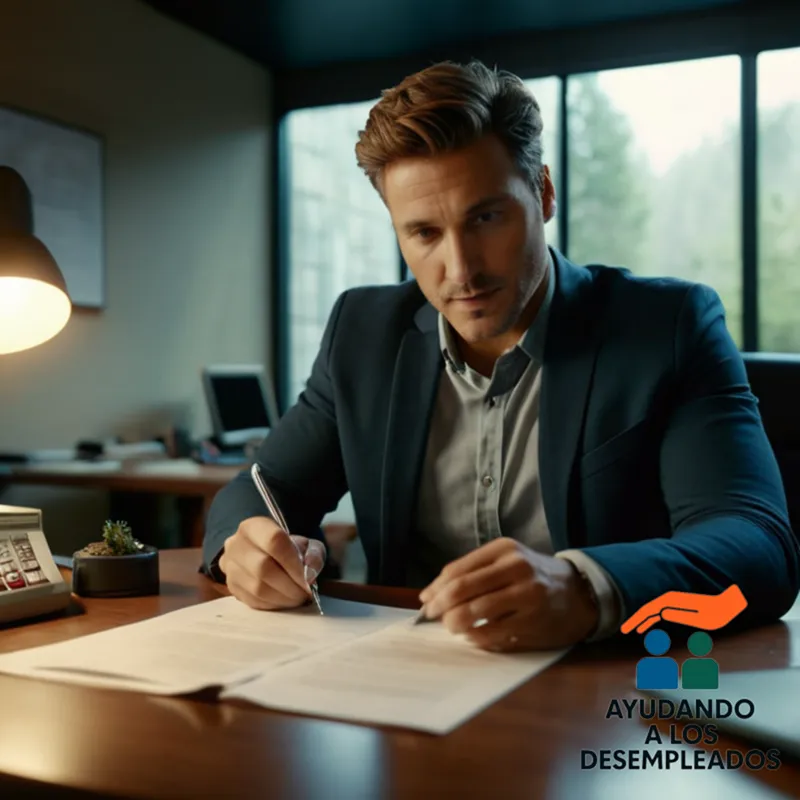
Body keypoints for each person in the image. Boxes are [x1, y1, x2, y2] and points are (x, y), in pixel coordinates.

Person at [202, 60, 799, 652]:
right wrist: (246, 545)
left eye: (485, 217)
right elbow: (262, 489)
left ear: (542, 193)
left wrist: (586, 589)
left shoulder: (668, 327)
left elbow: (757, 545)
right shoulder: (362, 332)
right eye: (424, 234)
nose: (460, 270)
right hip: (403, 683)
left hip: (606, 694)